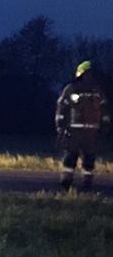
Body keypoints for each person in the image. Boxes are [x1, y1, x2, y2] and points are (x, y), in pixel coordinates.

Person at [55, 60, 109, 192]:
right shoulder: (71, 89)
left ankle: (87, 182)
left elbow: (105, 109)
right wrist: (60, 125)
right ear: (81, 74)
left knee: (89, 158)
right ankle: (66, 181)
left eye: (91, 75)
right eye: (87, 74)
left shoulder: (97, 91)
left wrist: (105, 125)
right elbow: (62, 107)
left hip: (91, 131)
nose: (89, 77)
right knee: (71, 156)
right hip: (74, 130)